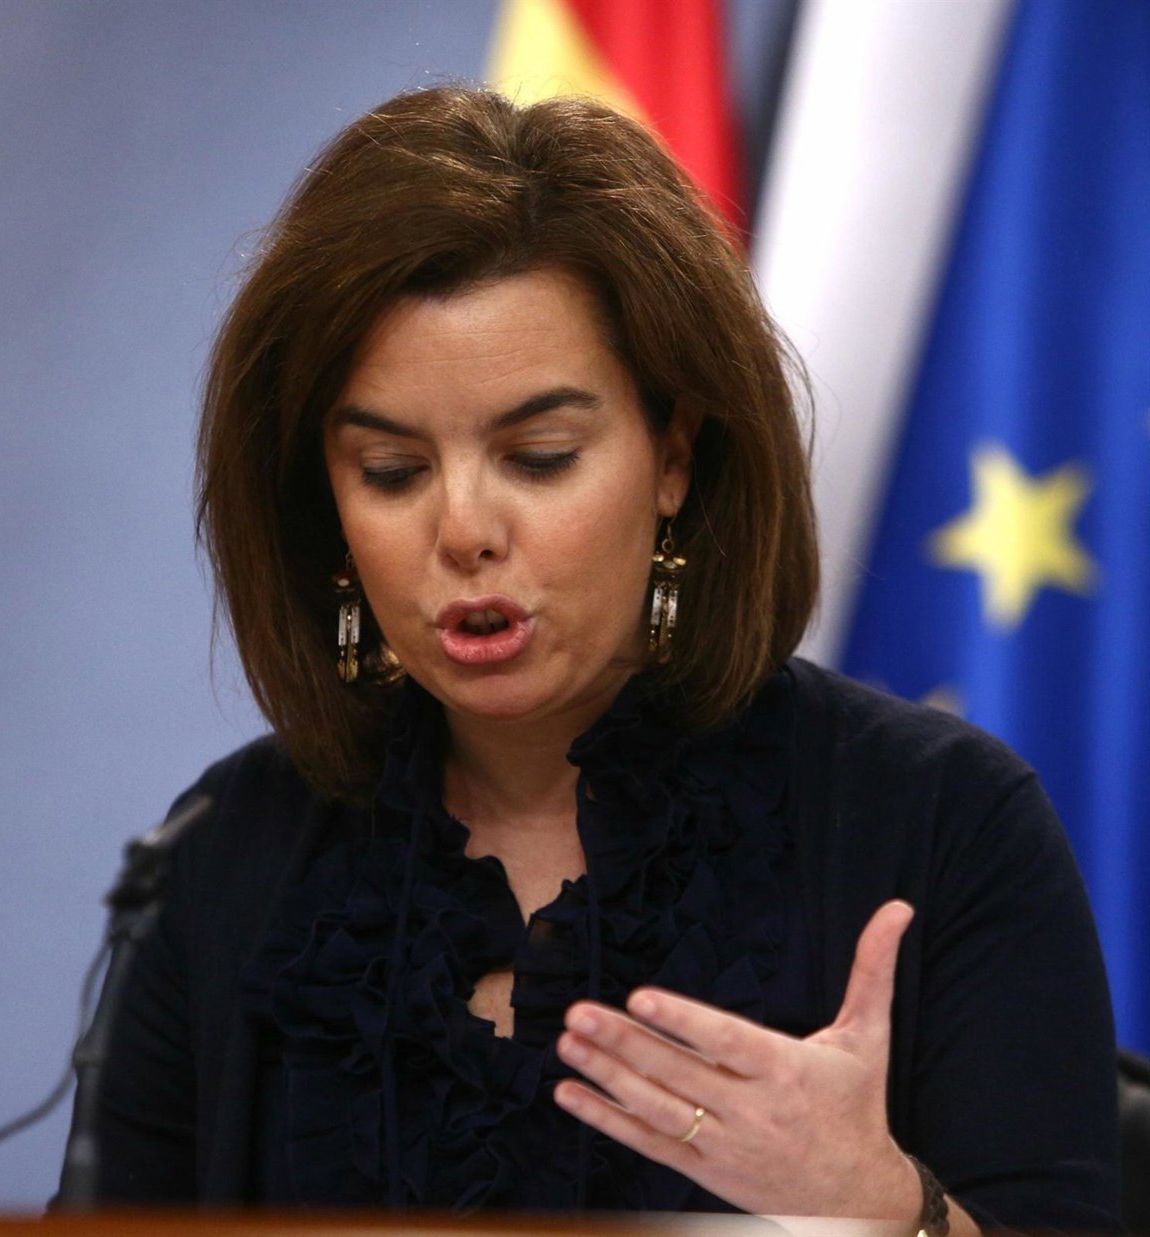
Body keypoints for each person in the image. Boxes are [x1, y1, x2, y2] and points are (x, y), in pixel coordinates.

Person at [59, 86, 1120, 1228]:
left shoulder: (942, 822)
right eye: (393, 473)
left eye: (541, 456)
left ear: (673, 456)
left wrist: (882, 1207)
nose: (465, 529)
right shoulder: (221, 857)